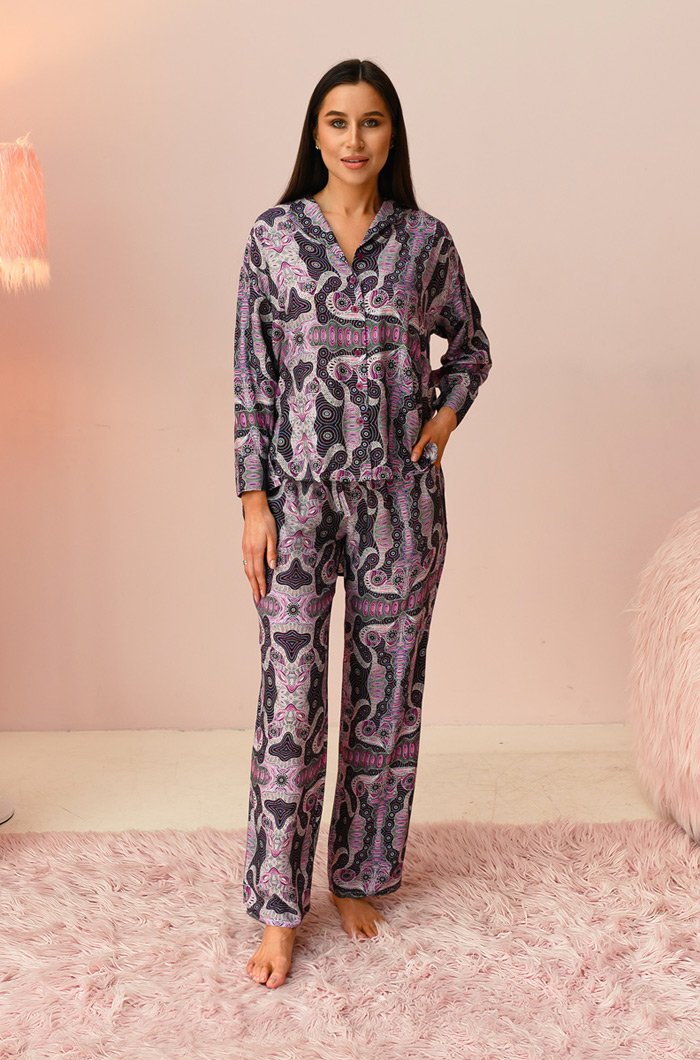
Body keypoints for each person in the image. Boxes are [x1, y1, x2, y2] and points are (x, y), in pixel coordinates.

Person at [234, 58, 492, 989]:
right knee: (291, 703)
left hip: (400, 505)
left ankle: (359, 877)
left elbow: (471, 347)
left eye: (371, 121)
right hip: (297, 503)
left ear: (392, 135)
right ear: (316, 133)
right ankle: (277, 910)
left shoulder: (423, 241)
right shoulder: (273, 239)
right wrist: (253, 501)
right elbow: (252, 377)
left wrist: (443, 420)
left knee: (386, 702)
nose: (354, 139)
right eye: (338, 121)